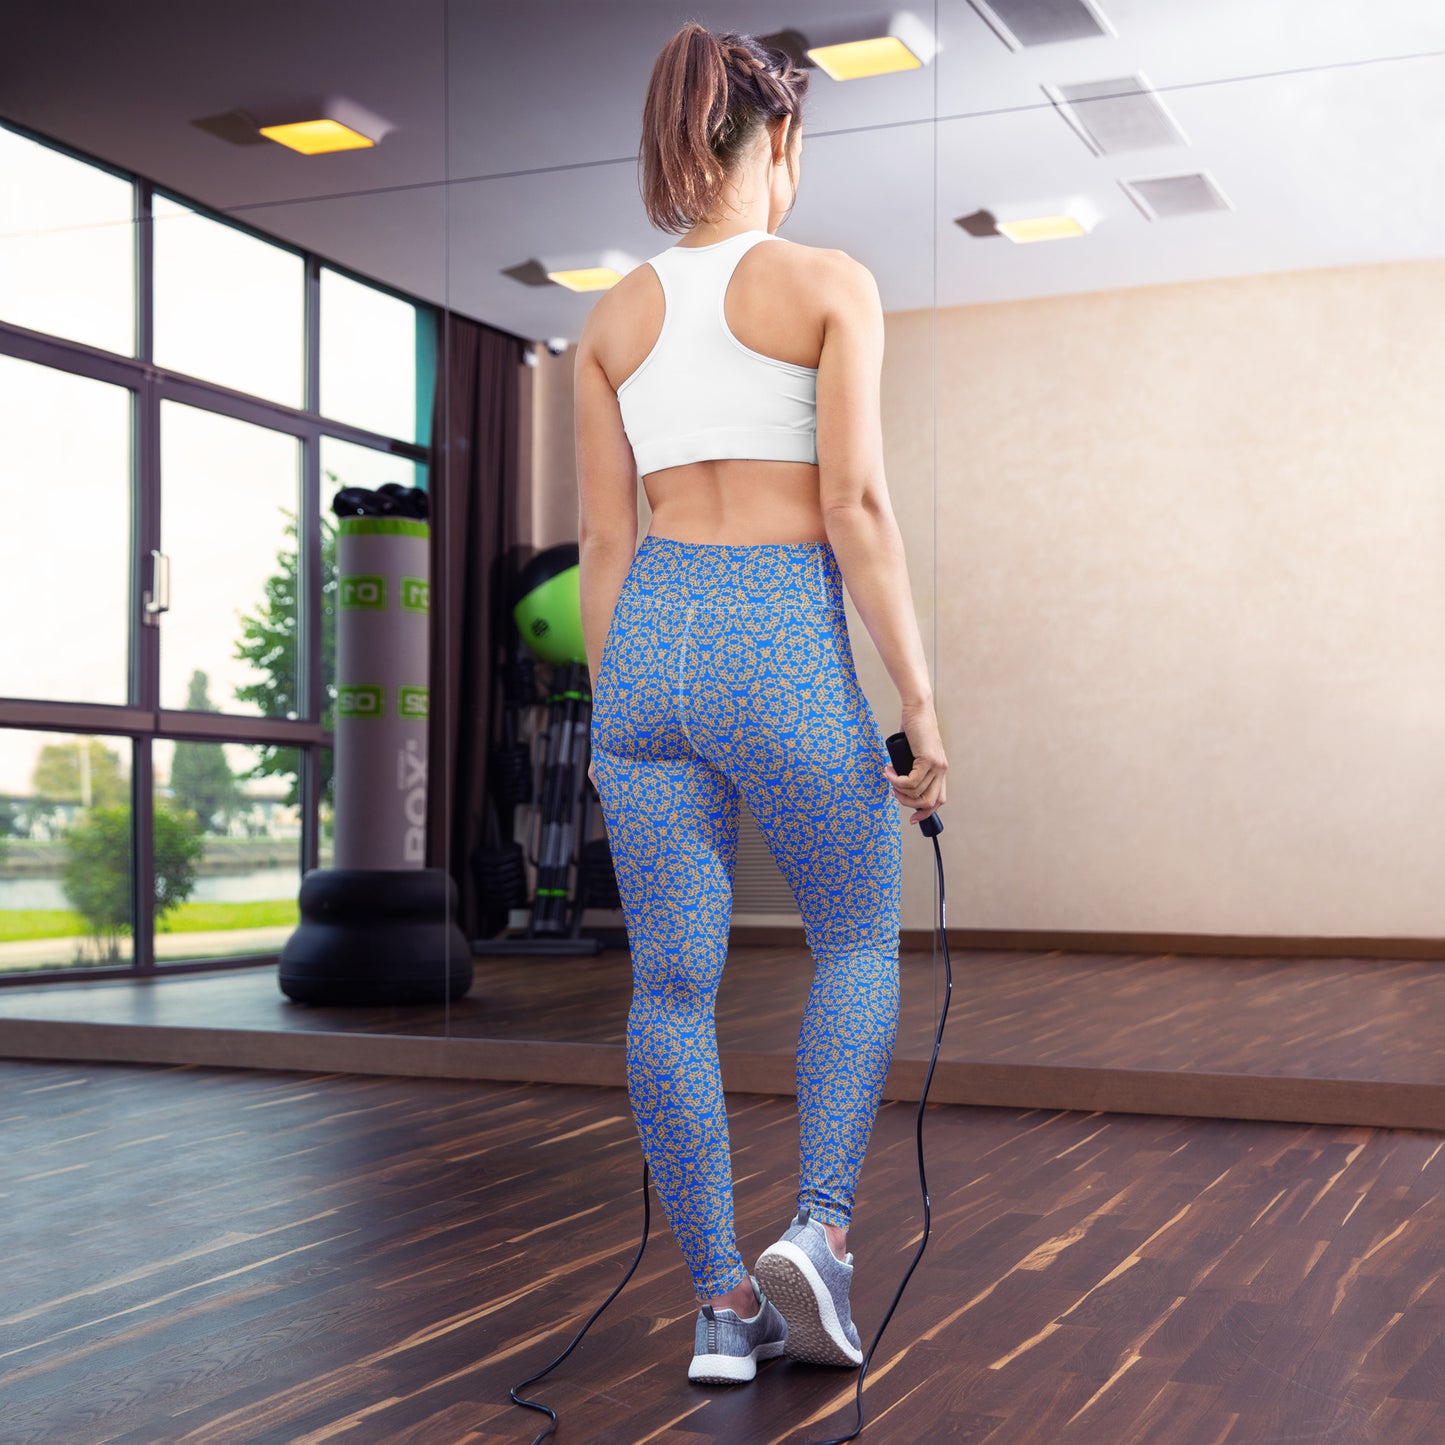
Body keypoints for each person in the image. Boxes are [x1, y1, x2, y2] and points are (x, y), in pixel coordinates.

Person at [574, 22, 947, 1386]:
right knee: (855, 938)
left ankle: (722, 1306)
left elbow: (601, 545)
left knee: (671, 986)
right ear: (779, 139)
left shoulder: (610, 319)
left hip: (645, 650)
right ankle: (822, 1234)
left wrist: (617, 717)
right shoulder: (827, 282)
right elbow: (855, 508)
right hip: (775, 636)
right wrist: (918, 701)